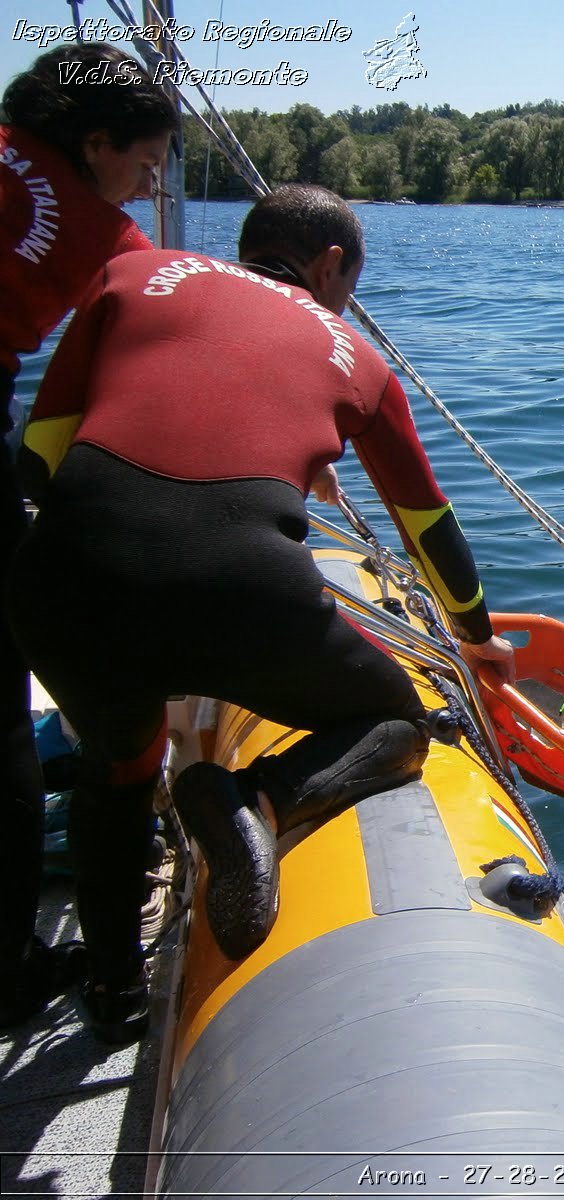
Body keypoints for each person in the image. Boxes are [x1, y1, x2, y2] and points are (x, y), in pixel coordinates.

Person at [6, 183, 513, 1042]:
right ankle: (257, 800)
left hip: (63, 577)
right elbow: (425, 523)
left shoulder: (135, 273)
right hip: (240, 587)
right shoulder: (358, 356)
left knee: (118, 766)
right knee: (395, 721)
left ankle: (115, 989)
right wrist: (475, 635)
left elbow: (40, 453)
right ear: (331, 265)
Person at [0, 44, 178, 1030]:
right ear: (95, 141)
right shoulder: (101, 237)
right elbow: (187, 310)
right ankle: (12, 964)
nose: (148, 190)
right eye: (144, 167)